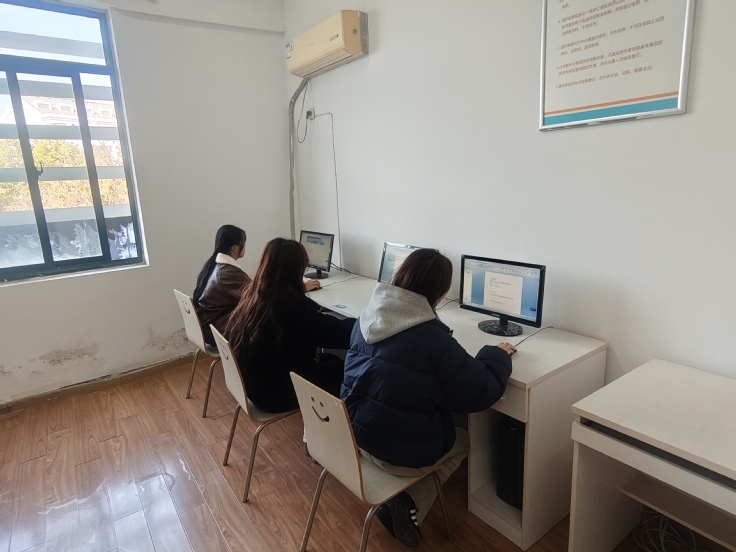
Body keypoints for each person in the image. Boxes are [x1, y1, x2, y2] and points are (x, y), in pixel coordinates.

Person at [341, 249, 515, 548]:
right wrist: (495, 355)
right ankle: (410, 500)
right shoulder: (433, 339)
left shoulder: (366, 317)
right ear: (440, 292)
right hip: (397, 454)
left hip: (353, 434)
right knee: (464, 438)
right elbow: (481, 392)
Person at [225, 237, 355, 413]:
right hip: (273, 393)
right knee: (355, 370)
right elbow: (338, 334)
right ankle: (341, 425)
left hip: (254, 384)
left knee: (332, 359)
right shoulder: (291, 305)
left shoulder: (255, 295)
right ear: (295, 270)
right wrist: (368, 320)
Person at [193, 225, 251, 346]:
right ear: (234, 247)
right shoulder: (228, 272)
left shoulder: (215, 266)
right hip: (218, 331)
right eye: (243, 244)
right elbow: (256, 296)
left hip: (211, 326)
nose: (245, 247)